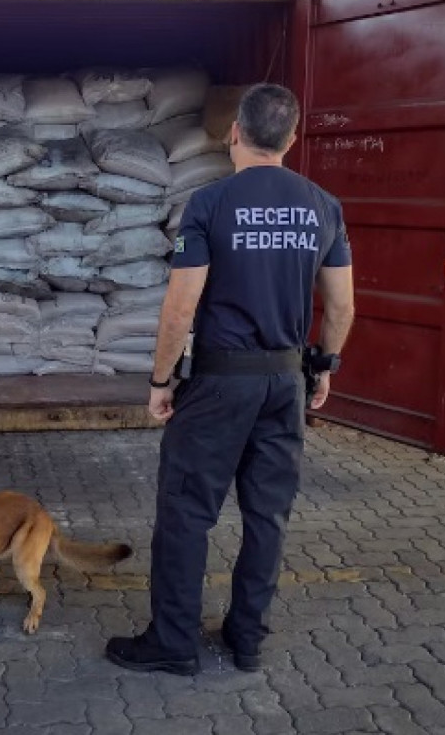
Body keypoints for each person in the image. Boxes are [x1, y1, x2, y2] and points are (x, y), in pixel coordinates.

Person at [105, 84, 356, 675]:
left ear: (235, 132)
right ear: (292, 139)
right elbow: (342, 307)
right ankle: (247, 640)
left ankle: (173, 644)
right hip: (284, 383)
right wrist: (322, 366)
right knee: (267, 515)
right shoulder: (323, 205)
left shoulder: (212, 203)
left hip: (220, 384)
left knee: (188, 512)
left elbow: (179, 307)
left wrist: (161, 380)